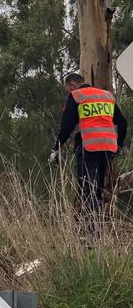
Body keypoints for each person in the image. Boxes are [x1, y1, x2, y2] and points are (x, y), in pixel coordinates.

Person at [51, 73, 128, 228]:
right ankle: (98, 231)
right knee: (98, 190)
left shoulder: (76, 96)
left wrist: (56, 148)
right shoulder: (106, 96)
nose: (68, 91)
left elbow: (66, 126)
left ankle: (93, 233)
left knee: (88, 190)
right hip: (107, 148)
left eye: (68, 89)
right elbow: (123, 123)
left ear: (72, 85)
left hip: (88, 147)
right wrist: (117, 145)